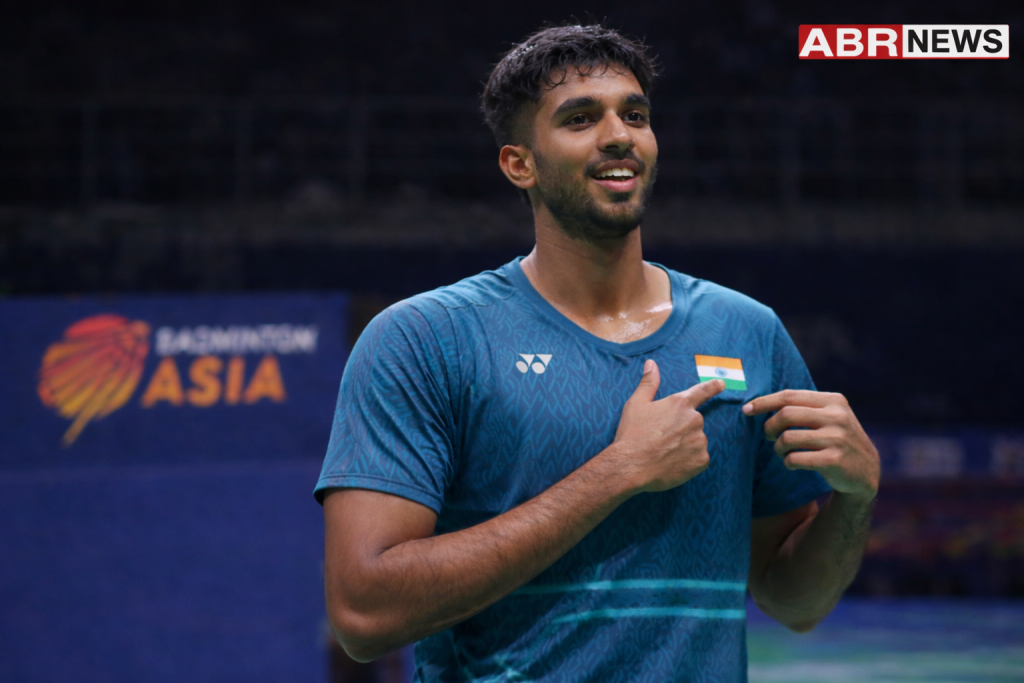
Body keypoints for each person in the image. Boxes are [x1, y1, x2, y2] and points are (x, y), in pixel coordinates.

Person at [315, 24, 880, 682]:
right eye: (581, 118)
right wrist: (617, 473)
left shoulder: (747, 330)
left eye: (635, 115)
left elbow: (794, 600)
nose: (620, 135)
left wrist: (856, 497)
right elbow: (363, 614)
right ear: (519, 163)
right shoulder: (424, 339)